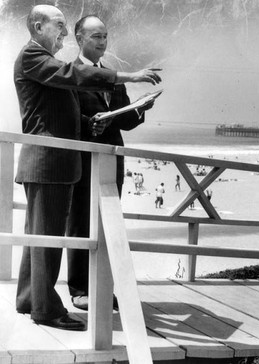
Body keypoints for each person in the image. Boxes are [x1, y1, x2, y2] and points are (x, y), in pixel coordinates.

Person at [14, 4, 161, 331]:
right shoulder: (32, 57)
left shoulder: (43, 61)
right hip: (49, 162)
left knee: (41, 237)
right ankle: (47, 310)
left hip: (50, 162)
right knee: (49, 239)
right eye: (59, 26)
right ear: (38, 28)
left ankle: (28, 298)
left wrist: (93, 120)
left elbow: (60, 106)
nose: (64, 33)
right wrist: (128, 75)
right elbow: (74, 75)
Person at [66, 15, 158, 311]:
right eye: (96, 37)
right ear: (79, 38)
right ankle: (79, 288)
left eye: (105, 36)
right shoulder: (69, 73)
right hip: (83, 158)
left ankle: (102, 286)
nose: (102, 42)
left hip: (112, 158)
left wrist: (141, 107)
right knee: (81, 222)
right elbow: (68, 118)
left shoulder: (113, 77)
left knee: (109, 225)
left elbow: (125, 121)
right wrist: (87, 123)